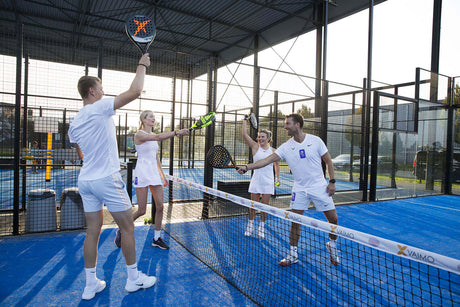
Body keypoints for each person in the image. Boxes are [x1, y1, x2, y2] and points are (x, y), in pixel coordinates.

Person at [68, 53, 156, 300]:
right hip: (107, 178)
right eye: (101, 88)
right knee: (127, 227)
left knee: (92, 230)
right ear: (92, 91)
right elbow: (135, 91)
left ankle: (90, 285)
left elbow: (77, 146)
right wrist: (142, 64)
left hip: (86, 181)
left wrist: (89, 158)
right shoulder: (99, 108)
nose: (103, 92)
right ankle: (133, 279)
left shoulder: (75, 122)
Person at [236, 113, 340, 266]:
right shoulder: (286, 147)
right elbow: (265, 161)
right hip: (299, 189)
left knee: (333, 220)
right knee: (295, 222)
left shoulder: (315, 141)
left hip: (319, 187)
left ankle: (332, 245)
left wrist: (331, 181)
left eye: (288, 124)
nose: (285, 127)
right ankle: (292, 254)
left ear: (297, 124)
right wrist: (247, 167)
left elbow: (328, 161)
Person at [114, 110, 189, 250]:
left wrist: (162, 174)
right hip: (142, 173)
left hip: (154, 174)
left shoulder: (154, 136)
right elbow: (160, 137)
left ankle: (156, 238)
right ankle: (121, 229)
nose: (153, 118)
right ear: (143, 119)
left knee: (160, 206)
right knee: (141, 210)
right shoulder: (139, 135)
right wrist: (177, 132)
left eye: (154, 116)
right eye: (150, 116)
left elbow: (155, 157)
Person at [241, 116, 280, 238]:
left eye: (262, 137)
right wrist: (244, 120)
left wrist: (278, 178)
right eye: (259, 136)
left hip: (268, 181)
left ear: (268, 139)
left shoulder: (274, 151)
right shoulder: (255, 147)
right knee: (253, 205)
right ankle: (250, 225)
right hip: (256, 180)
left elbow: (276, 165)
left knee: (264, 206)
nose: (260, 138)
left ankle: (261, 227)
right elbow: (244, 134)